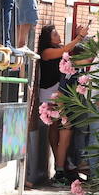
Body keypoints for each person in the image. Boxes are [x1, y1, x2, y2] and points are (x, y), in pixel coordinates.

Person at [37, 23, 90, 186]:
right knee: (61, 130)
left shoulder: (61, 48)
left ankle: (61, 166)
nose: (58, 35)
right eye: (54, 34)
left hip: (60, 94)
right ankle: (60, 169)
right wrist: (78, 37)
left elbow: (68, 50)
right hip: (52, 94)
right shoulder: (46, 52)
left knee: (60, 130)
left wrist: (78, 37)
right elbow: (64, 51)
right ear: (47, 38)